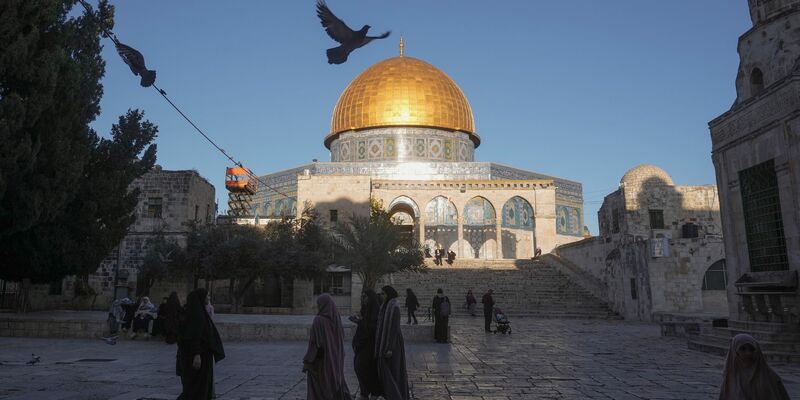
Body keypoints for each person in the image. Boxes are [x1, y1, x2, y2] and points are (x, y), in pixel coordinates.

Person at [177, 288, 225, 400]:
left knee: (198, 384)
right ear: (201, 298)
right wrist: (197, 354)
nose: (209, 298)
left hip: (201, 354)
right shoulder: (197, 315)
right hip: (198, 355)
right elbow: (194, 336)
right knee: (196, 385)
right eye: (207, 296)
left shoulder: (197, 311)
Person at [303, 294, 351, 400]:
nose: (318, 307)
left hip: (321, 361)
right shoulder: (336, 320)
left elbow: (314, 343)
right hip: (336, 360)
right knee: (334, 381)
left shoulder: (318, 320)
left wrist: (308, 360)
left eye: (319, 304)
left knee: (318, 385)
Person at [718, 333, 790, 400]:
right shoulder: (729, 378)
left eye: (752, 349)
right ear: (735, 351)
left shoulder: (771, 377)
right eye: (743, 349)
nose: (748, 353)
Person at [375, 286, 410, 400]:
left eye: (383, 294)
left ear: (388, 294)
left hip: (393, 343)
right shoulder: (385, 306)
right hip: (385, 341)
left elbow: (394, 328)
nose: (381, 296)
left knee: (393, 370)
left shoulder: (394, 306)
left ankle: (396, 395)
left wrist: (390, 347)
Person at [352, 289, 383, 400]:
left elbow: (374, 328)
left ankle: (374, 392)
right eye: (362, 296)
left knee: (366, 368)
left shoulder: (376, 310)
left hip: (370, 345)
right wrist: (358, 320)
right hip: (362, 344)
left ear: (370, 297)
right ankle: (364, 393)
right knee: (358, 367)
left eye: (365, 296)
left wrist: (361, 321)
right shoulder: (365, 309)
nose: (362, 299)